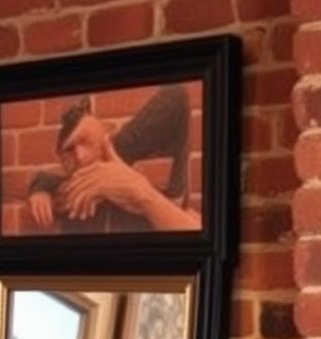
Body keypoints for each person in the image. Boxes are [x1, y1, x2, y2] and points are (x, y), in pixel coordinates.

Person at [24, 85, 197, 234]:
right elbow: (63, 182)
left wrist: (115, 150)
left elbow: (176, 97)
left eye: (86, 142)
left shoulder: (122, 152)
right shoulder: (75, 190)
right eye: (69, 151)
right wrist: (41, 186)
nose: (80, 156)